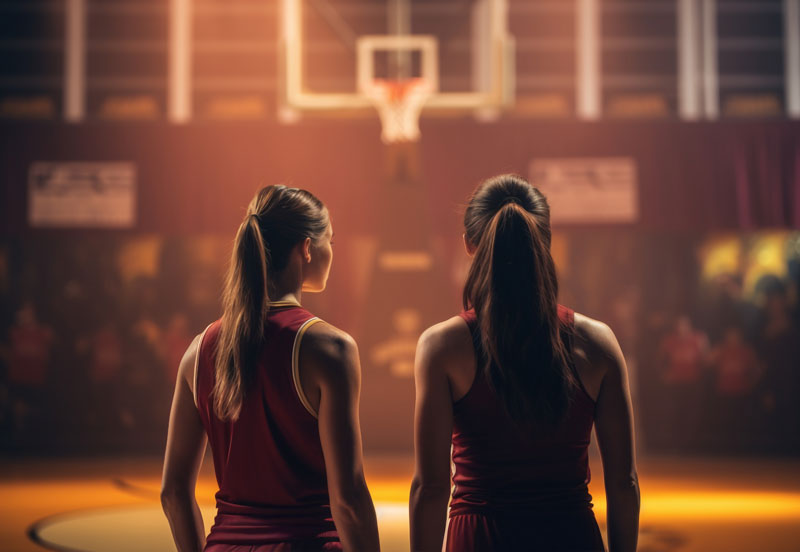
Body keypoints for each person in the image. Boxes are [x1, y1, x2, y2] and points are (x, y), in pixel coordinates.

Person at [409, 175, 639, 552]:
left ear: (469, 244)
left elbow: (430, 487)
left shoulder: (443, 346)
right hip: (570, 536)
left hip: (479, 539)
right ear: (545, 242)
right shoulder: (597, 343)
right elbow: (624, 482)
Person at [161, 185, 380, 552]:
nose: (333, 251)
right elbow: (348, 499)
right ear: (307, 249)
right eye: (331, 240)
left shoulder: (198, 350)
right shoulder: (329, 348)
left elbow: (173, 492)